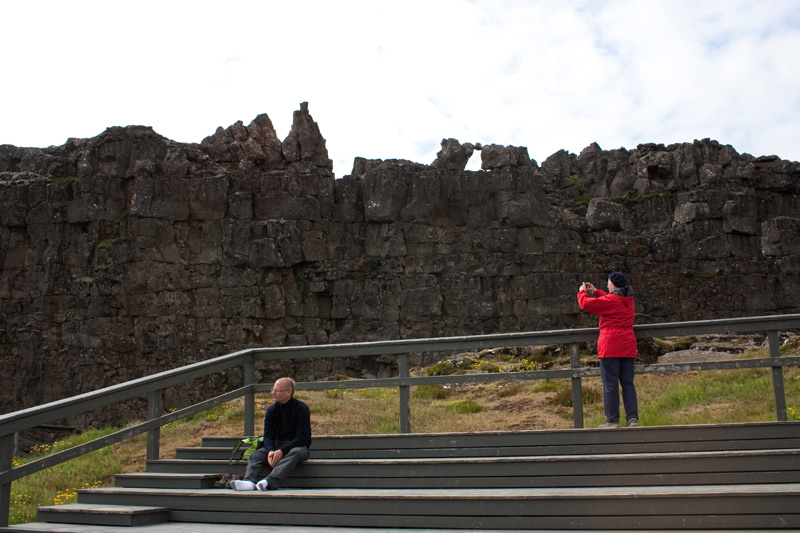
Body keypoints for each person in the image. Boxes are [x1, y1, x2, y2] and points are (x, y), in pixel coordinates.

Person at [577, 272, 639, 428]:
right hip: (627, 345)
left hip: (611, 346)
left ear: (614, 284)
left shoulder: (611, 300)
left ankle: (612, 420)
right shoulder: (628, 300)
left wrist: (582, 292)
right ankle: (632, 418)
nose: (607, 285)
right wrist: (597, 291)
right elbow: (611, 301)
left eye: (608, 283)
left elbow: (586, 304)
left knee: (610, 384)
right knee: (627, 383)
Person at [232, 377, 311, 491]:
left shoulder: (301, 409)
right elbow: (268, 435)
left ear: (289, 392)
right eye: (273, 389)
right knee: (256, 455)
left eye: (277, 390)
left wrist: (282, 451)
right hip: (276, 445)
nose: (273, 393)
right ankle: (249, 482)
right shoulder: (271, 410)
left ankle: (269, 482)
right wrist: (270, 451)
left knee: (296, 453)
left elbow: (302, 438)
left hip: (297, 446)